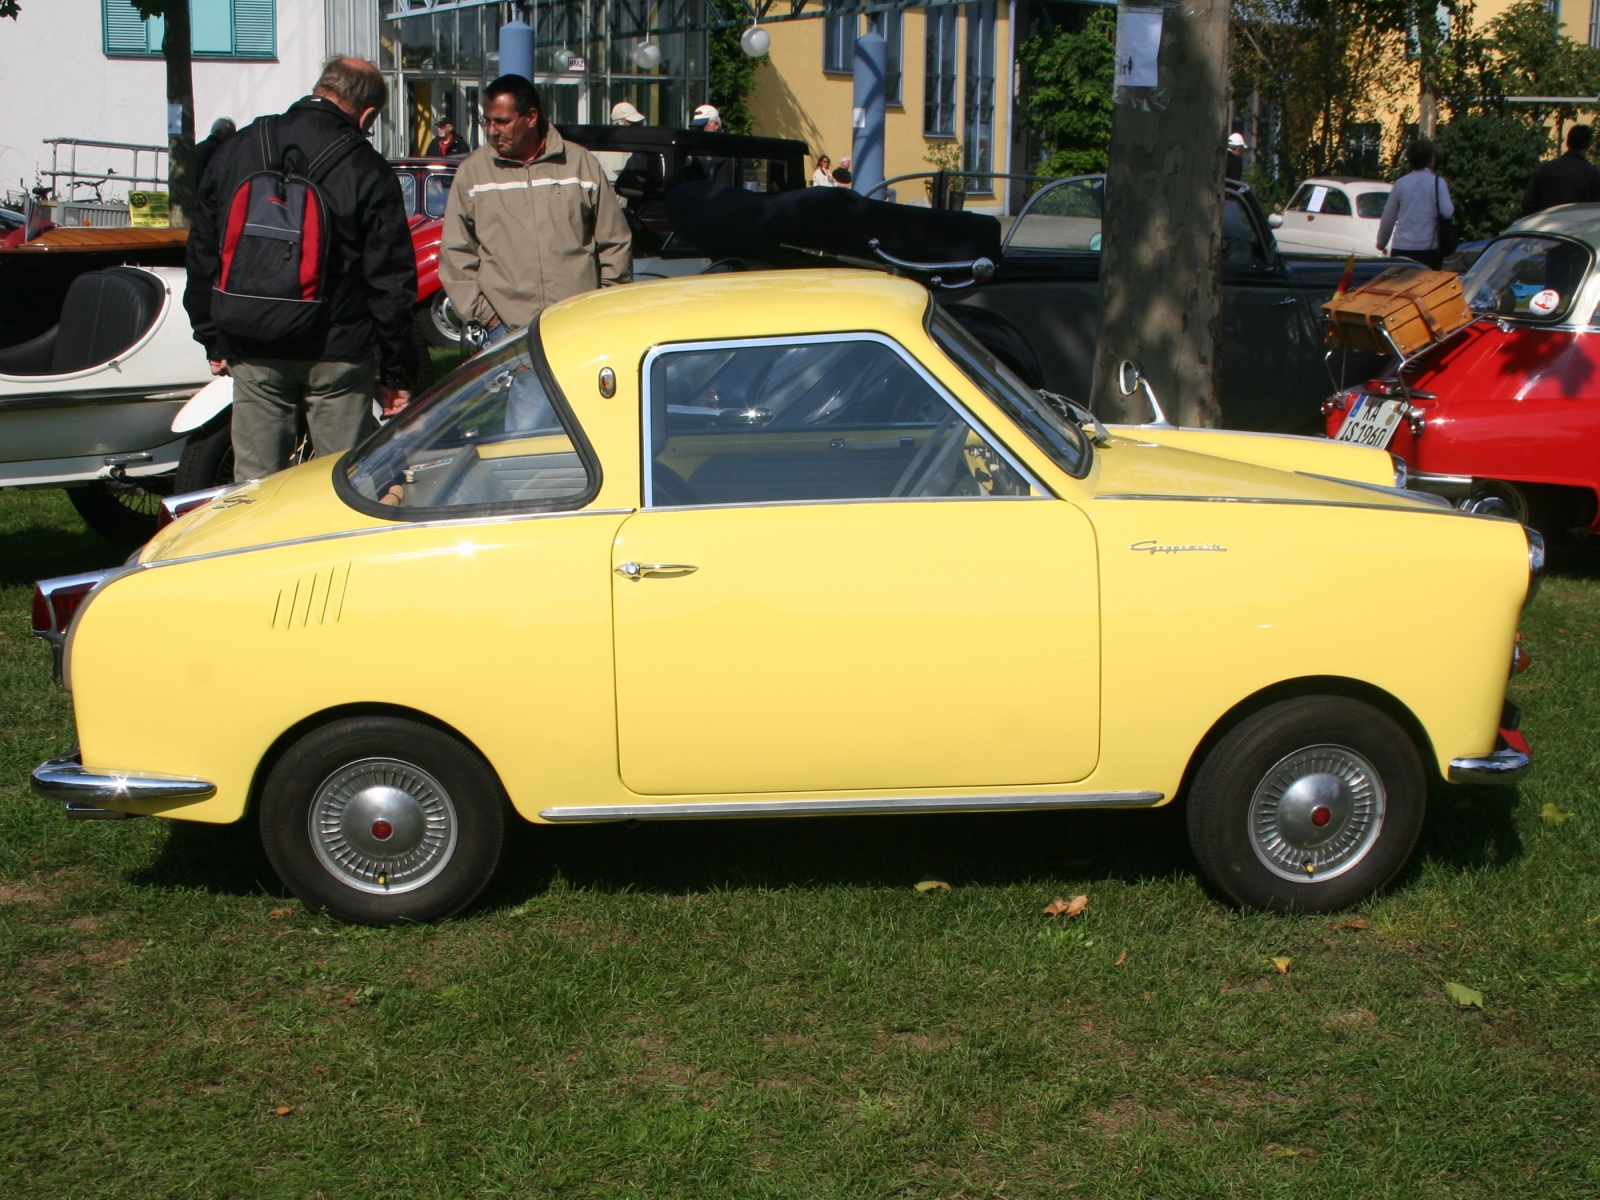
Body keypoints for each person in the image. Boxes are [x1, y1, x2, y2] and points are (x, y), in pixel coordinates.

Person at [184, 57, 417, 482]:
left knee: (256, 486)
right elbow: (390, 280)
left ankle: (258, 548)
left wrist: (212, 335)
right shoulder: (366, 166)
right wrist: (396, 370)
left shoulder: (239, 147)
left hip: (253, 341)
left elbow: (203, 249)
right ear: (366, 114)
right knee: (344, 484)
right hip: (337, 347)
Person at [440, 74, 631, 346]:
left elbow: (614, 241)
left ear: (531, 117)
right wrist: (488, 319)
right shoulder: (473, 171)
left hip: (580, 326)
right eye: (487, 121)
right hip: (508, 332)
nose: (492, 130)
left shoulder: (579, 163)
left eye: (502, 121)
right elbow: (455, 252)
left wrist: (606, 306)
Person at [1376, 139, 1454, 271]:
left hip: (1401, 248)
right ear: (1430, 159)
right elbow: (1447, 212)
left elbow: (1388, 216)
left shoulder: (1401, 183)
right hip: (1428, 248)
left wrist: (1381, 243)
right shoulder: (1437, 183)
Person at [1522, 124, 1600, 214]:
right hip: (1578, 226)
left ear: (1567, 143)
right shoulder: (1593, 175)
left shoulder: (1543, 170)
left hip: (1544, 225)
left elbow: (1527, 204)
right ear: (1587, 146)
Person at [193, 117, 235, 186]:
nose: (232, 139)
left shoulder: (198, 146)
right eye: (231, 134)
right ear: (220, 132)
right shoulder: (219, 150)